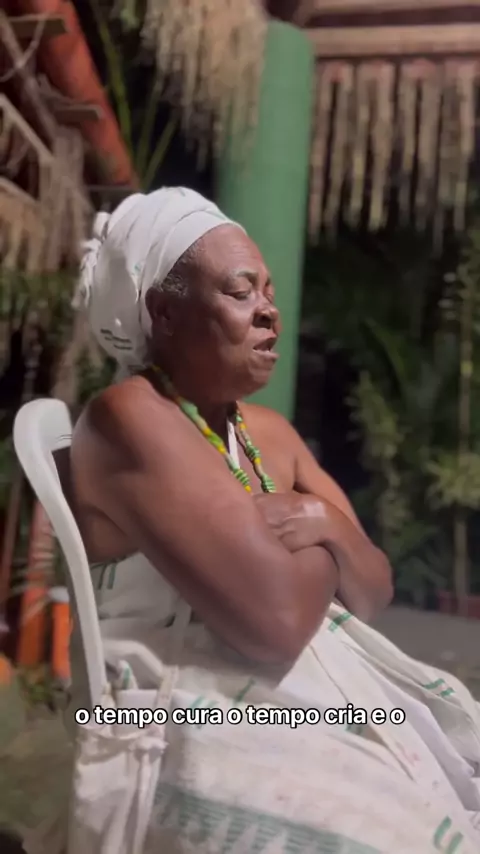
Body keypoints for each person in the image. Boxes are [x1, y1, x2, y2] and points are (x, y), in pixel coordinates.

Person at [64, 188, 480, 852]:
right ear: (164, 312)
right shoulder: (129, 418)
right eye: (240, 292)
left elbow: (373, 589)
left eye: (268, 291)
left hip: (297, 698)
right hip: (195, 710)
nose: (269, 311)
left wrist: (322, 522)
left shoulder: (267, 433)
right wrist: (325, 554)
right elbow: (276, 625)